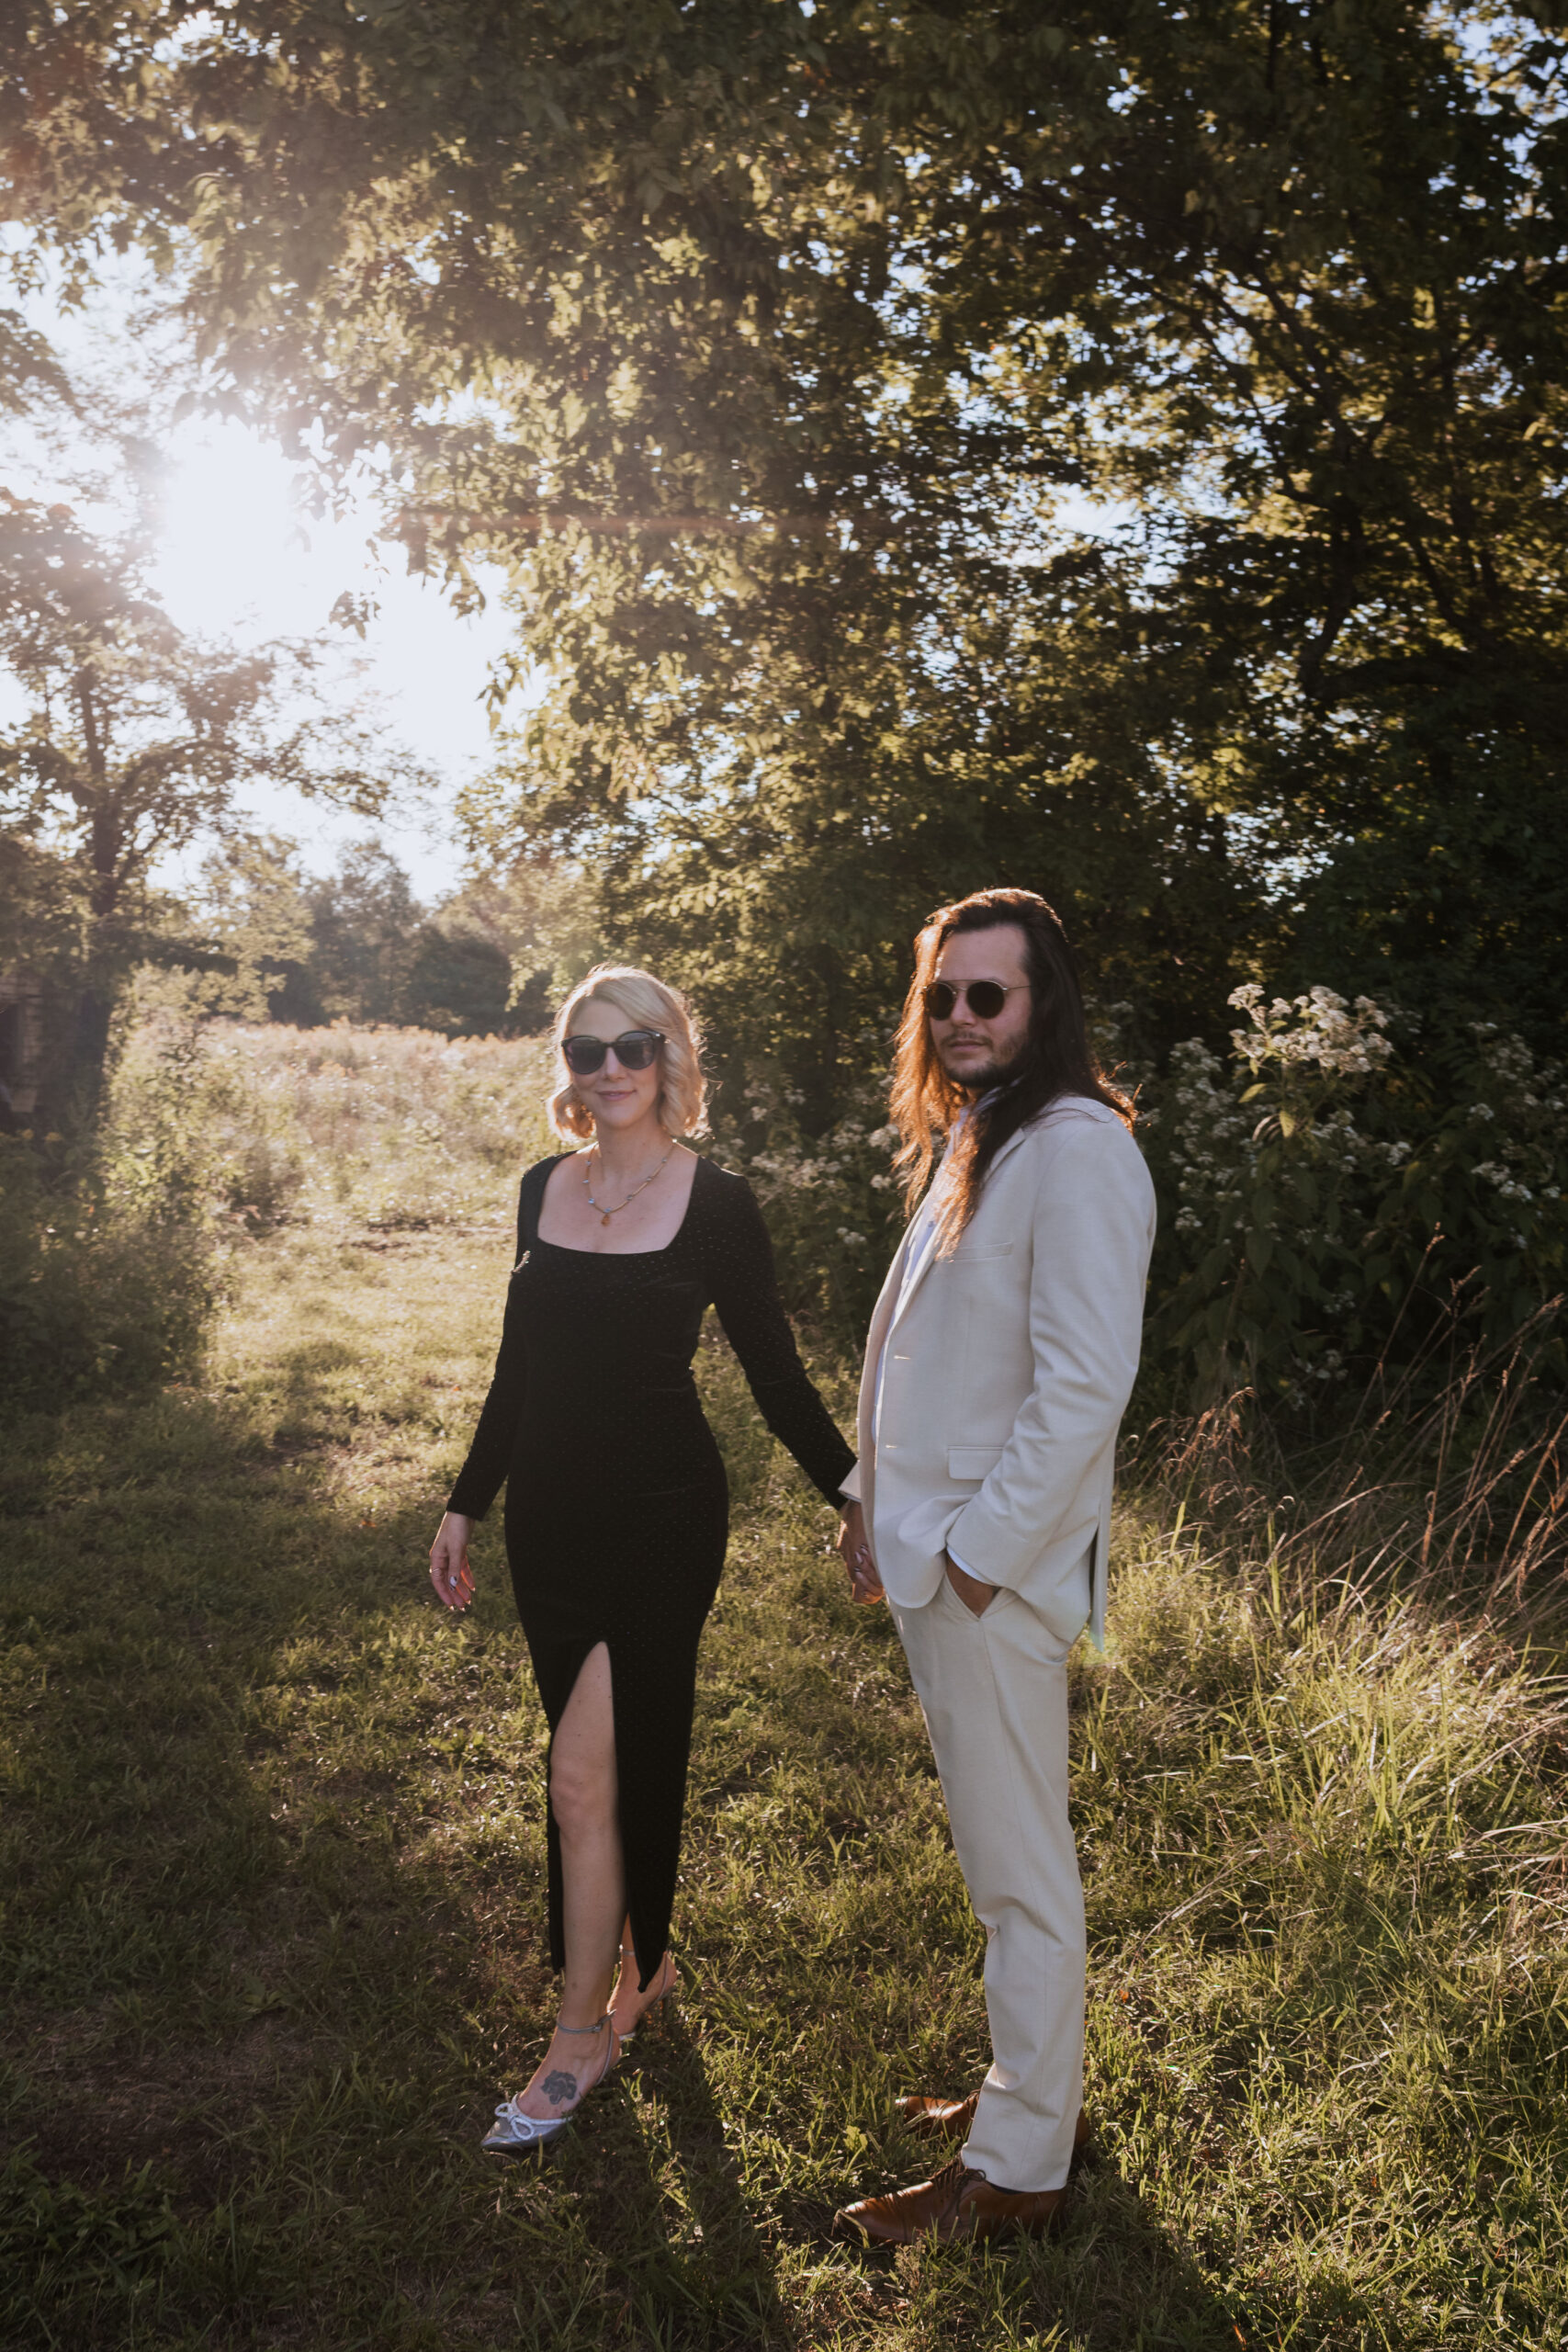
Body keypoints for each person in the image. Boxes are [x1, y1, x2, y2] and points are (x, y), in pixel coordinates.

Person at [429, 965, 854, 2155]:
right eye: (584, 1050)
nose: (609, 1067)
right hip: (551, 1521)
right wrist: (467, 1502)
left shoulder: (716, 1203)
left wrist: (854, 1489)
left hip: (666, 1517)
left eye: (633, 1044)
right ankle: (638, 1968)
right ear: (565, 1069)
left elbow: (775, 1375)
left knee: (582, 1774)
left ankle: (581, 2037)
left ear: (671, 1057)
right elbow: (521, 1372)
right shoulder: (538, 1191)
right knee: (588, 1773)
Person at [832, 888, 1156, 2245]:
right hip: (932, 1552)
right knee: (999, 1860)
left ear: (1043, 1006)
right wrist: (864, 1496)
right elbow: (921, 1347)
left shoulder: (1079, 1149)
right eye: (943, 997)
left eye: (990, 995)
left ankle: (1020, 2170)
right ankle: (1032, 2090)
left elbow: (1085, 1388)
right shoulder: (985, 1138)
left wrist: (972, 1557)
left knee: (1022, 1875)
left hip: (991, 1576)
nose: (961, 1018)